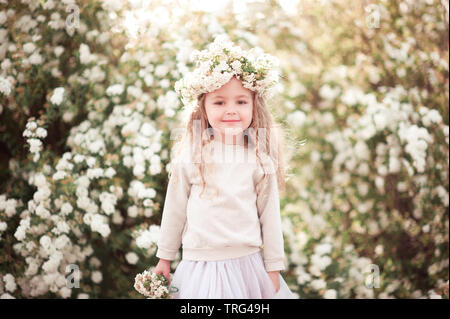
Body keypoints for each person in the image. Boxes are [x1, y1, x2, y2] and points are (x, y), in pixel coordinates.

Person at [153, 34, 296, 299]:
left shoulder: (259, 159)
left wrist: (273, 267)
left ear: (254, 105)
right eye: (219, 102)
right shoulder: (192, 155)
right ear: (203, 108)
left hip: (247, 266)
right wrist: (165, 257)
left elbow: (270, 216)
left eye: (241, 101)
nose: (231, 110)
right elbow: (174, 209)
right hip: (201, 267)